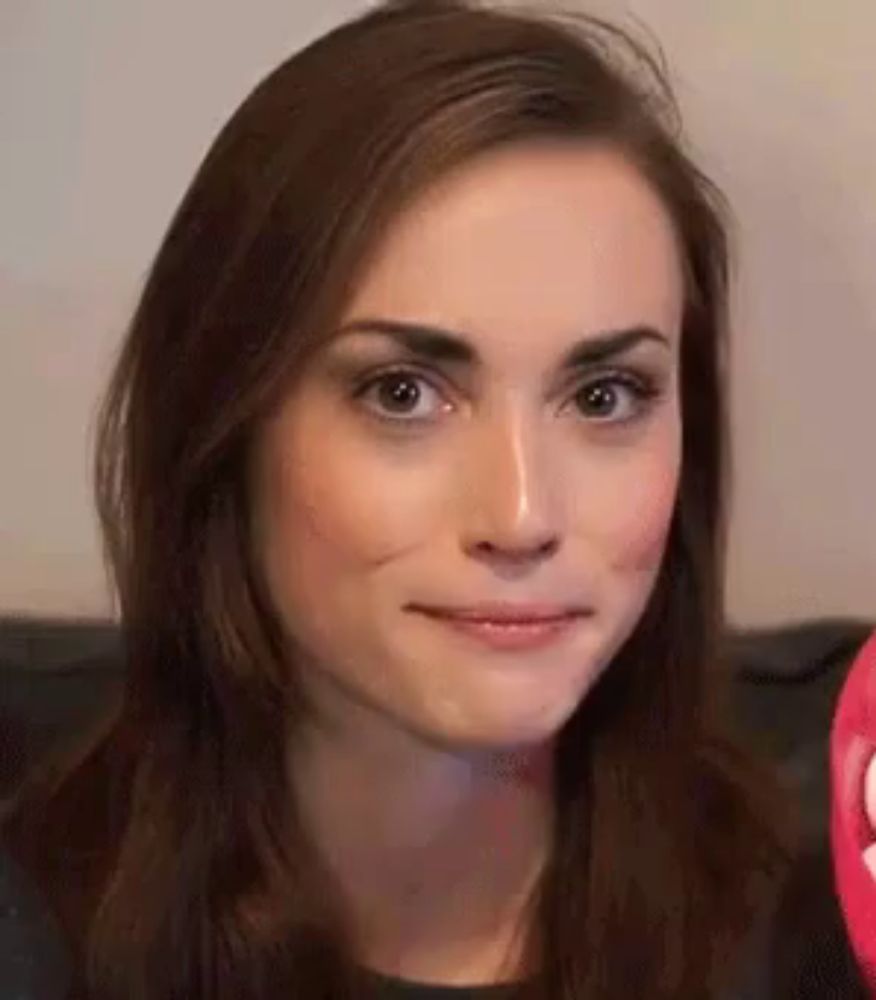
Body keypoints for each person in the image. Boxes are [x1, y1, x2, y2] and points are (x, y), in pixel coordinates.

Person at [0, 1, 801, 997]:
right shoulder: (38, 931)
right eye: (403, 393)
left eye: (605, 395)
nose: (520, 515)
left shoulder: (808, 929)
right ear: (224, 425)